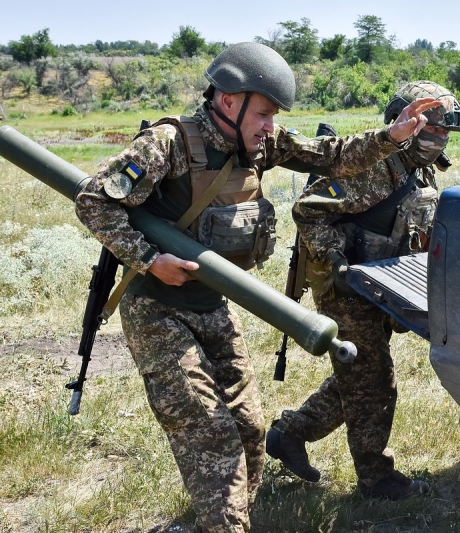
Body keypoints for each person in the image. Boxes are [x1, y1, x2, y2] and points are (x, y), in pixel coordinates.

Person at [73, 43, 441, 533]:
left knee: (249, 429)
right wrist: (148, 259)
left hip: (212, 303)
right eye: (264, 112)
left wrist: (391, 137)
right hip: (157, 310)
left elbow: (331, 156)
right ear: (229, 101)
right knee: (211, 435)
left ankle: (229, 518)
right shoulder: (169, 143)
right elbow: (95, 200)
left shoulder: (260, 143)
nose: (270, 125)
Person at [266, 81, 460, 500]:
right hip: (348, 288)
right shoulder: (371, 166)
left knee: (357, 377)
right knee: (376, 380)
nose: (438, 139)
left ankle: (289, 433)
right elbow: (308, 211)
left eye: (445, 133)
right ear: (404, 123)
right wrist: (335, 260)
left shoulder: (420, 169)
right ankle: (376, 478)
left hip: (385, 284)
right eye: (430, 130)